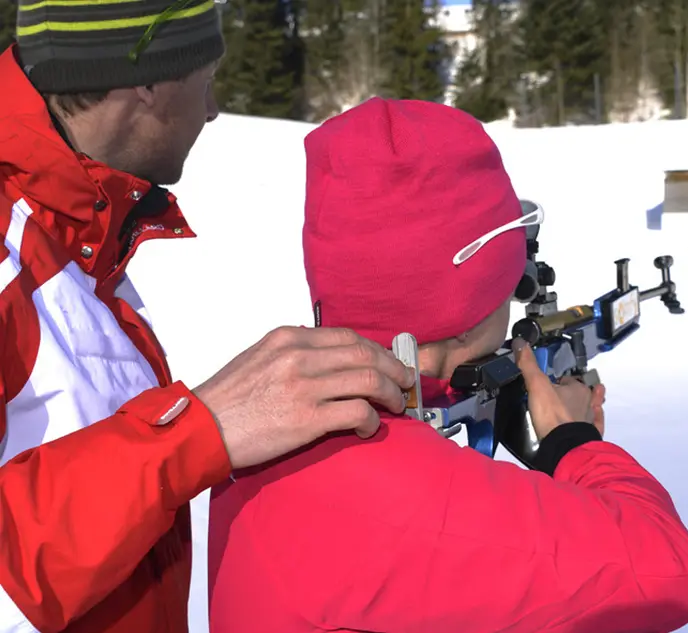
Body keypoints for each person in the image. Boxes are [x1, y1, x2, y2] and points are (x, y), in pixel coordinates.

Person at [207, 97, 688, 633]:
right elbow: (671, 570)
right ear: (475, 296)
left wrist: (474, 401)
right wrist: (574, 441)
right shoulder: (389, 488)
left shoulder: (271, 421)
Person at [0, 2, 414, 632]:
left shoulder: (76, 231)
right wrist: (196, 432)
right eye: (207, 77)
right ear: (147, 82)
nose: (214, 108)